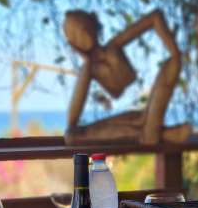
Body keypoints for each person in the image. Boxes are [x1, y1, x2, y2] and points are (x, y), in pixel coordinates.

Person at [64, 9, 191, 145]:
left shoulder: (113, 47)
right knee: (72, 135)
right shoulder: (90, 69)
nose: (84, 33)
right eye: (76, 34)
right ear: (73, 45)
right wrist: (88, 64)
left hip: (146, 109)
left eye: (85, 26)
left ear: (94, 24)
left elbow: (154, 17)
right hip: (134, 117)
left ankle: (151, 134)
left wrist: (175, 52)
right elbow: (72, 121)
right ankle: (161, 134)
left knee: (173, 62)